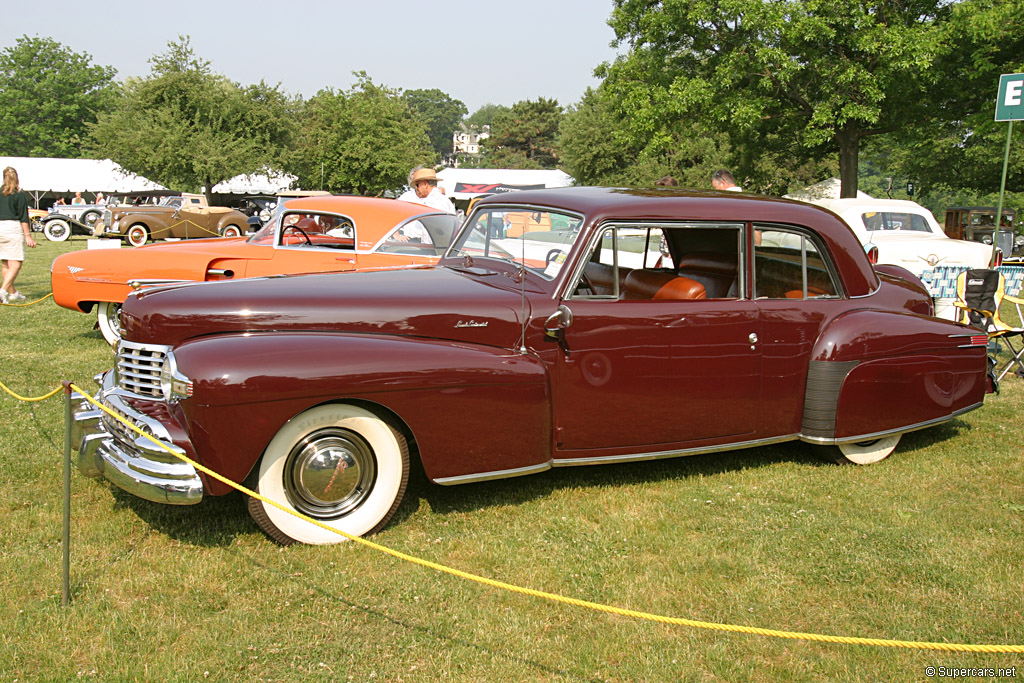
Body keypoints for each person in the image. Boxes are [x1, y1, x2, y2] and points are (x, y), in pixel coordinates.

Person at [0, 166, 37, 303]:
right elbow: (23, 217)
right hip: (12, 228)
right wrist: (28, 235)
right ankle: (2, 291)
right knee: (15, 263)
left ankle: (13, 293)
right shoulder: (19, 194)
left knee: (5, 263)